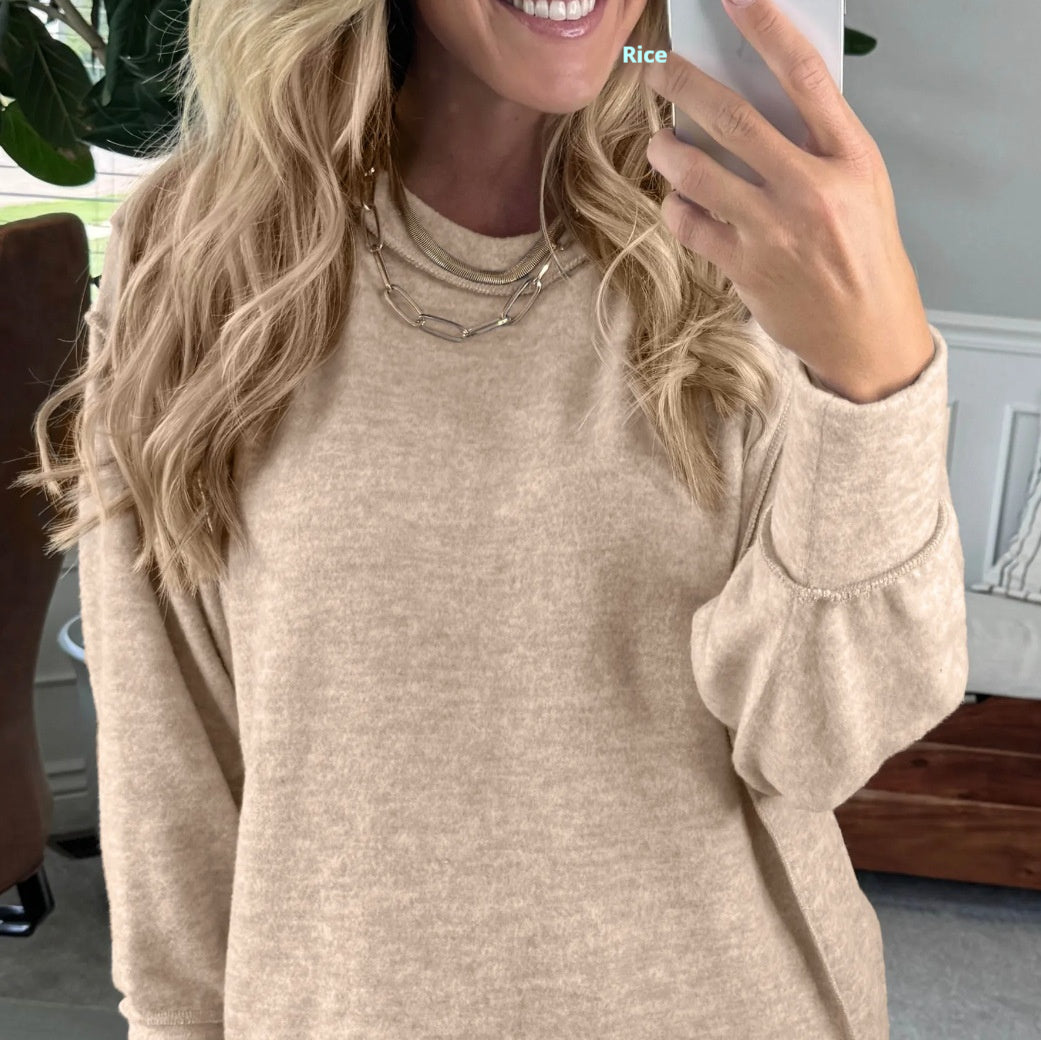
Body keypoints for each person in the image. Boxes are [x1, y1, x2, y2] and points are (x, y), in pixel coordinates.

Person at [21, 0, 969, 1036]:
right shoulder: (205, 247)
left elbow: (819, 746)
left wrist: (871, 381)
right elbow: (171, 767)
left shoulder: (753, 230)